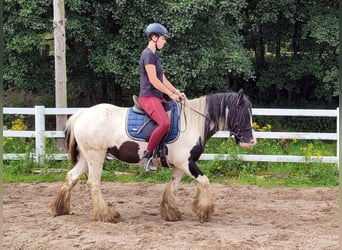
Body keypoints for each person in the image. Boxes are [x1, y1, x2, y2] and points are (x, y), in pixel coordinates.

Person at [138, 23, 185, 171]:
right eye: (163, 38)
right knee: (164, 123)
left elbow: (163, 79)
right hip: (148, 97)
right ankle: (146, 157)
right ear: (154, 37)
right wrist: (170, 94)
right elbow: (153, 80)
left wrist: (176, 91)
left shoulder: (155, 57)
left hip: (157, 97)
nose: (164, 42)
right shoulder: (147, 55)